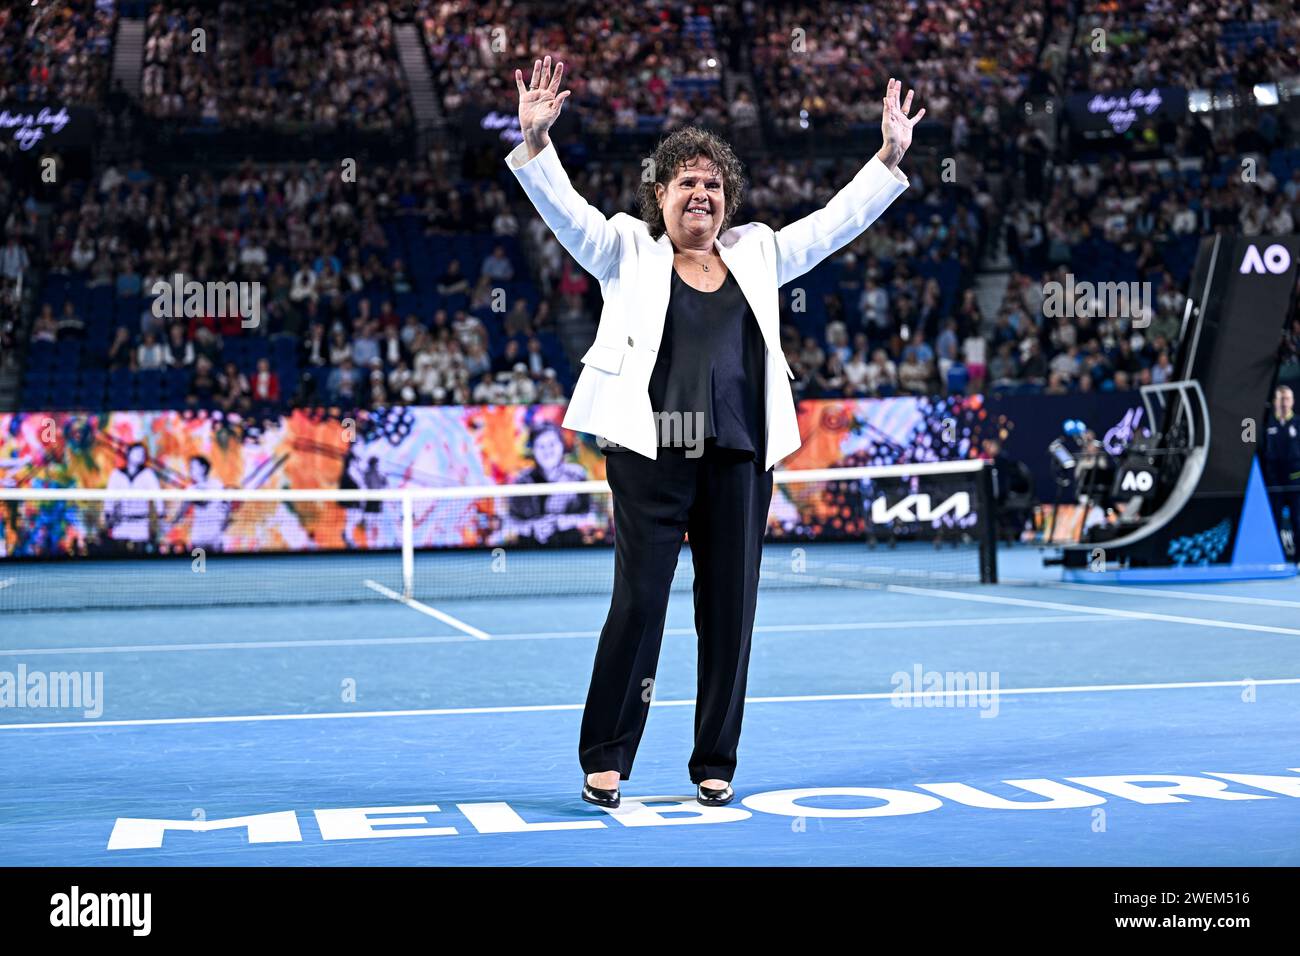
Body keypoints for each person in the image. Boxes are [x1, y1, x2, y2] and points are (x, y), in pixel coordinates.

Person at [507, 56, 920, 809]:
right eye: (687, 182)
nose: (702, 193)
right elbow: (568, 213)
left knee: (730, 609)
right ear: (659, 194)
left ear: (726, 201)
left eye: (714, 184)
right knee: (639, 602)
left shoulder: (757, 251)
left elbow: (830, 228)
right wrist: (537, 144)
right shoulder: (626, 249)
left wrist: (886, 160)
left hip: (737, 453)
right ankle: (607, 751)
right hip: (649, 451)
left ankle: (714, 759)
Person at [1263, 385, 1300, 560]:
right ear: (1274, 402)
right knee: (1273, 522)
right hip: (1274, 483)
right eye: (1280, 399)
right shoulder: (1266, 425)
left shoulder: (1298, 423)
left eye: (1287, 399)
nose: (1284, 403)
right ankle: (1275, 558)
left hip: (1295, 482)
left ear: (1292, 401)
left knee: (1297, 520)